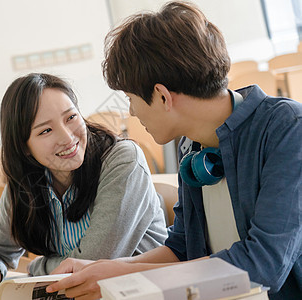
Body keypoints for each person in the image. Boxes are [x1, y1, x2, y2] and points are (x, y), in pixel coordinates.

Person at [46, 2, 302, 299]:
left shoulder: (287, 127)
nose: (131, 111)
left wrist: (126, 278)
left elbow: (263, 263)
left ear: (162, 96)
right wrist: (106, 269)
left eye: (130, 98)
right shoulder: (191, 143)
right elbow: (181, 248)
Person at [0, 73, 168, 295]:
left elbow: (89, 265)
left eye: (70, 117)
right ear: (24, 147)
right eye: (45, 130)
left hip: (141, 293)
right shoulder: (27, 181)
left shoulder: (122, 160)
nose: (68, 137)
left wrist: (38, 267)